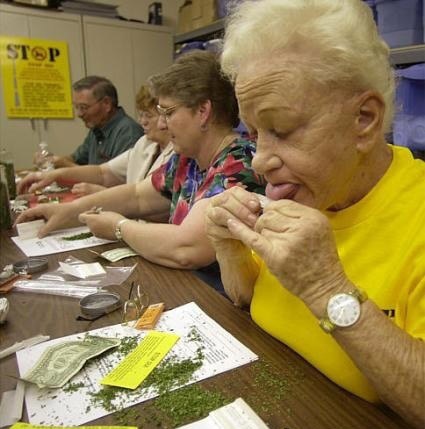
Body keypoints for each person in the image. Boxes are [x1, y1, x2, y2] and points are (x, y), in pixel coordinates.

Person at [205, 0, 425, 427]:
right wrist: (228, 248)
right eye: (253, 135)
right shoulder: (304, 194)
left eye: (281, 130)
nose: (259, 161)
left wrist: (325, 287)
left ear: (364, 119)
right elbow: (248, 298)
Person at [15, 50, 264, 273]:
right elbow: (136, 195)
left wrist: (119, 227)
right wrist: (68, 212)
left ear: (202, 111)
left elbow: (188, 248)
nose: (161, 123)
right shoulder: (187, 160)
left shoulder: (239, 162)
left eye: (168, 112)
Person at [18, 85, 173, 196]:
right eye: (141, 115)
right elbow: (102, 172)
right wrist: (52, 174)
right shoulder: (145, 143)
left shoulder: (132, 132)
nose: (142, 122)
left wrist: (102, 194)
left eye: (148, 115)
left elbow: (146, 203)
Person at [42, 75, 144, 168]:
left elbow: (117, 180)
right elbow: (76, 158)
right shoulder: (97, 128)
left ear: (106, 104)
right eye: (76, 107)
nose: (79, 114)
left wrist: (66, 165)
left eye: (83, 107)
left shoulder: (128, 132)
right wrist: (52, 160)